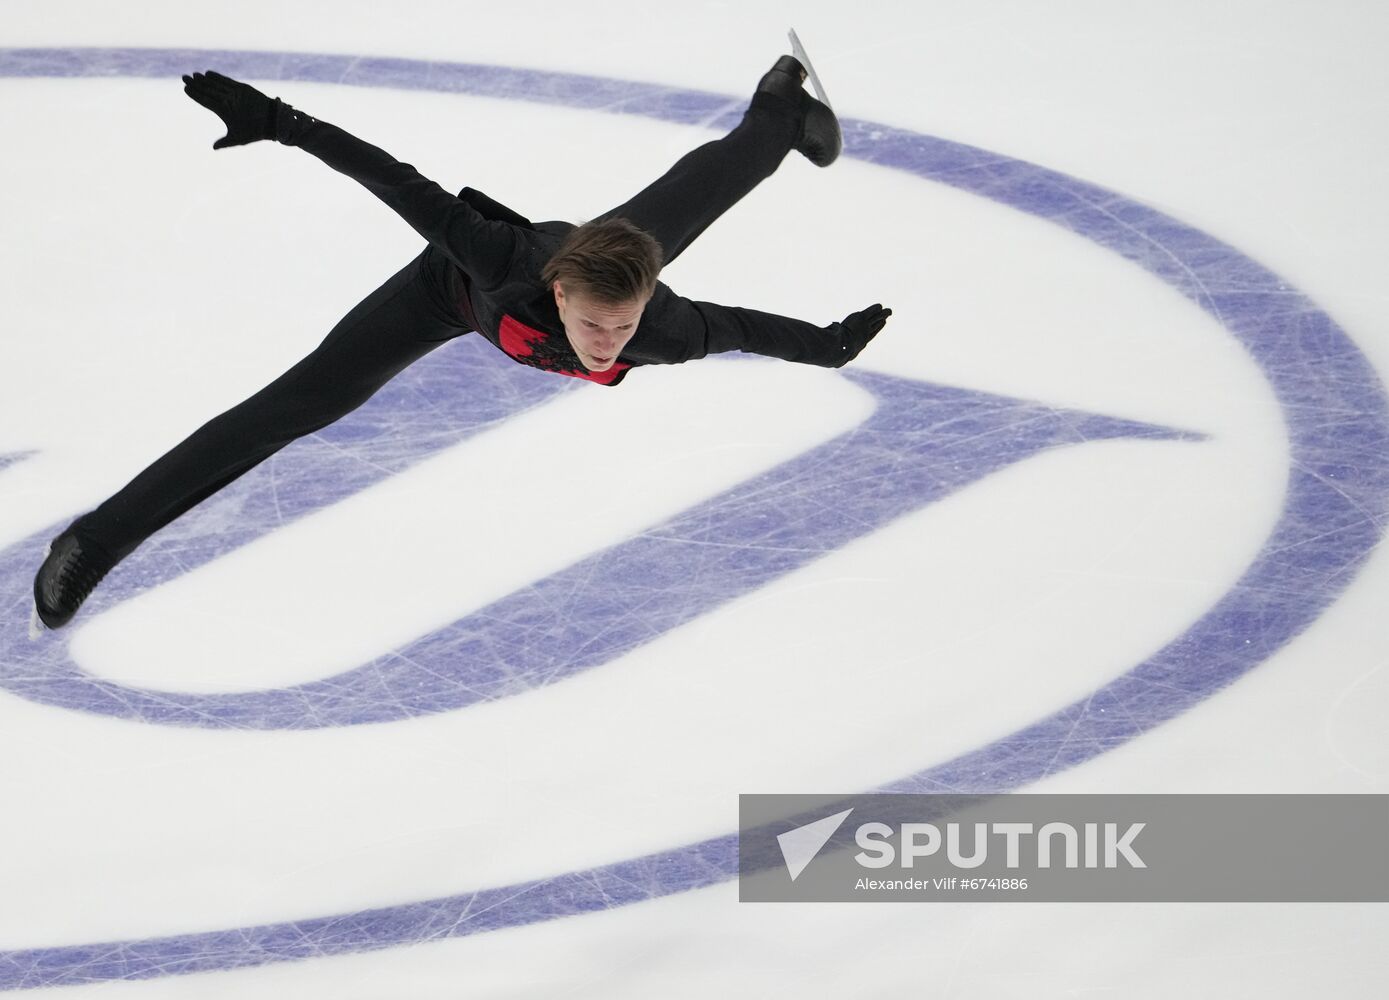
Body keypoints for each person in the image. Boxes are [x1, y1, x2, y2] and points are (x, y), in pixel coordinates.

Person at [32, 53, 893, 634]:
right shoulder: (502, 261)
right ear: (559, 291)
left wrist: (827, 346)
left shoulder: (659, 329)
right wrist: (280, 120)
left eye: (622, 329)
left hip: (603, 258)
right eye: (596, 327)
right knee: (291, 407)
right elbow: (397, 181)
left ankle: (780, 105)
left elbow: (742, 329)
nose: (607, 347)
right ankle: (96, 540)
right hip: (445, 295)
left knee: (693, 198)